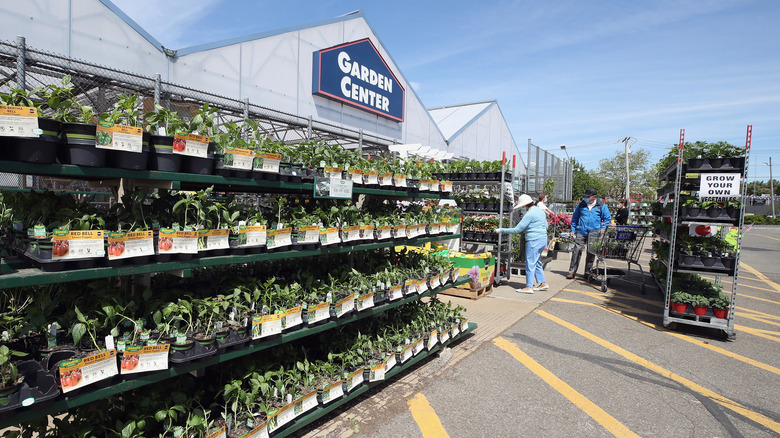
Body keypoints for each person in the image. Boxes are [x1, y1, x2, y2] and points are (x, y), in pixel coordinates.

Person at [499, 194, 549, 293]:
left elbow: (517, 229)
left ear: (525, 205)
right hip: (543, 239)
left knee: (530, 262)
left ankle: (529, 286)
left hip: (533, 241)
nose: (523, 207)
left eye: (523, 206)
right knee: (537, 261)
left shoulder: (529, 214)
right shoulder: (540, 211)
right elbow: (546, 226)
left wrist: (501, 230)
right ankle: (543, 283)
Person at [566, 188, 611, 281]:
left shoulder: (601, 206)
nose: (585, 198)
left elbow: (607, 218)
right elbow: (575, 218)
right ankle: (571, 272)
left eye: (587, 196)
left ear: (594, 197)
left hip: (594, 233)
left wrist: (603, 228)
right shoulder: (581, 205)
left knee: (591, 253)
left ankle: (587, 272)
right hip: (581, 231)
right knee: (576, 251)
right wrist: (572, 230)